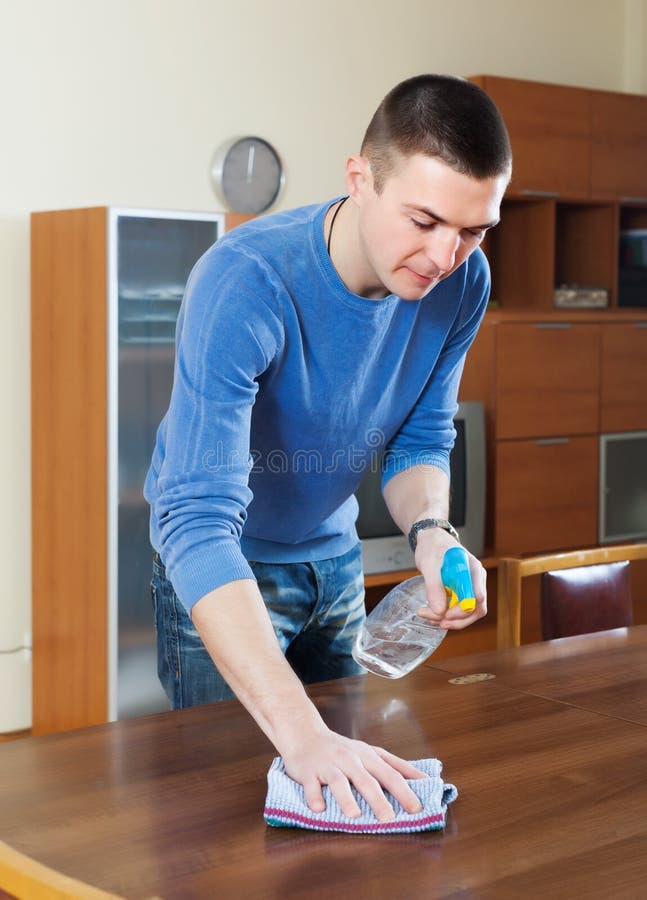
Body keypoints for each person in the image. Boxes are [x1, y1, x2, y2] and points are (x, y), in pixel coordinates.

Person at [144, 73, 511, 822]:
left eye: (472, 230)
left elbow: (420, 435)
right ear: (359, 179)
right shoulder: (245, 279)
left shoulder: (463, 280)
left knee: (343, 802)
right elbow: (195, 518)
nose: (445, 256)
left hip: (334, 564)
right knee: (230, 814)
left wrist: (430, 531)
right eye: (423, 220)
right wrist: (300, 735)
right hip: (228, 570)